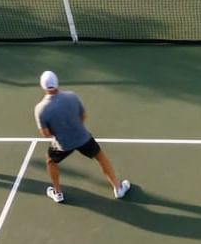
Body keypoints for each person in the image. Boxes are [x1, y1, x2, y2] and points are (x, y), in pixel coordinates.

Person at [34, 70, 130, 203]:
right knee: (101, 157)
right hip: (83, 138)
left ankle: (57, 193)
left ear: (42, 87)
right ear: (57, 83)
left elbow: (46, 134)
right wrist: (74, 128)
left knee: (51, 161)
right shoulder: (72, 96)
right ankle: (118, 188)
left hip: (62, 145)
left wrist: (61, 131)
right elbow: (83, 116)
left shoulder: (40, 109)